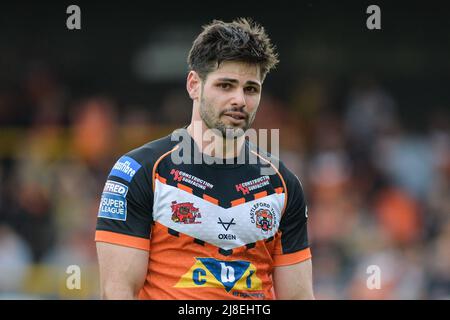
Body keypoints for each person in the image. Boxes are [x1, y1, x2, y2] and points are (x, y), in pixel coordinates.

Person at [95, 18, 314, 300]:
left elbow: (298, 297)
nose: (239, 100)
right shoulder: (139, 171)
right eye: (226, 85)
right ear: (193, 85)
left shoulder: (283, 183)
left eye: (251, 89)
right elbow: (117, 291)